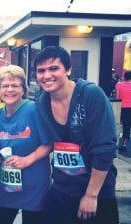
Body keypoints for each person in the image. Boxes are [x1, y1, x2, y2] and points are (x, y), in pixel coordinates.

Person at [34, 46, 118, 224]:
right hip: (62, 187)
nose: (46, 75)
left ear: (68, 69)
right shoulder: (42, 101)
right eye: (41, 71)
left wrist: (91, 195)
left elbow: (105, 149)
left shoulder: (90, 94)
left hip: (96, 189)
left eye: (54, 68)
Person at [0, 65, 51, 224]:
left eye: (15, 85)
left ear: (23, 90)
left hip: (34, 184)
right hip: (8, 186)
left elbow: (49, 143)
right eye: (5, 86)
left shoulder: (34, 110)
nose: (10, 89)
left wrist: (27, 160)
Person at [115, 70, 131, 151]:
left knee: (119, 124)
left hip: (121, 107)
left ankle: (116, 142)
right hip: (130, 108)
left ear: (124, 76)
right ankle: (124, 144)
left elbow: (117, 97)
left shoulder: (119, 85)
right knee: (127, 126)